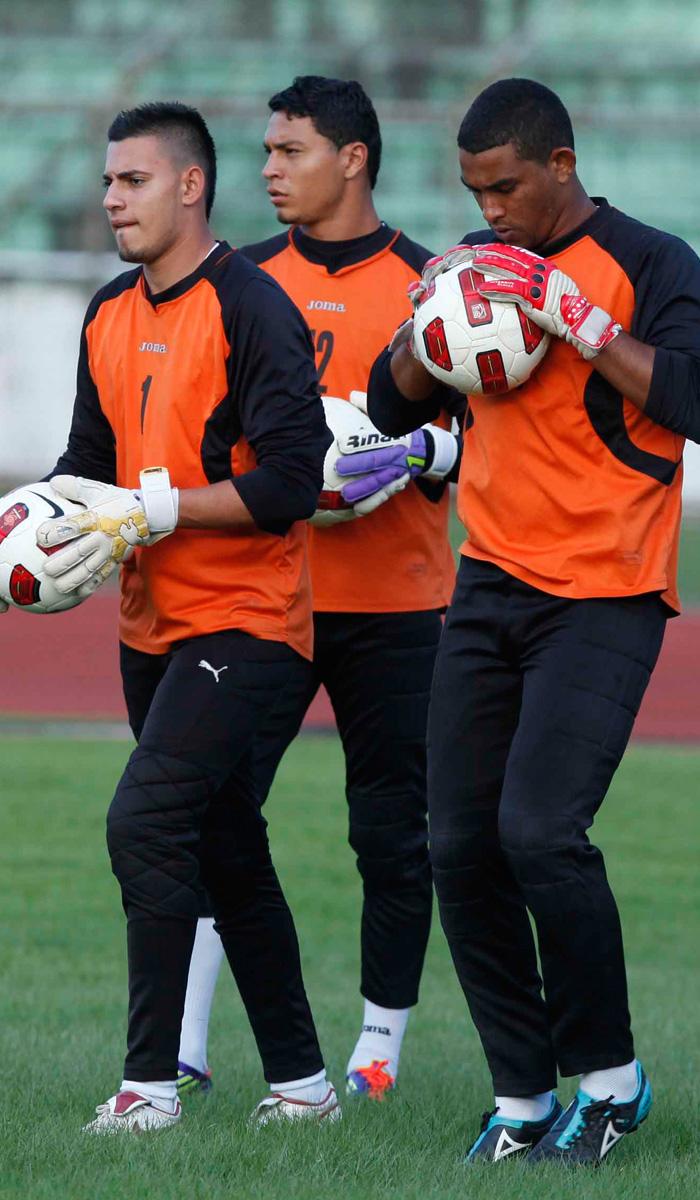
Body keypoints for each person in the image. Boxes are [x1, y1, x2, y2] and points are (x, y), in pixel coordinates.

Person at [367, 77, 700, 1163]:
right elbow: (390, 400)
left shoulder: (654, 263)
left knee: (539, 834)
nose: (490, 208)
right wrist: (429, 325)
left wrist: (577, 318)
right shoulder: (475, 257)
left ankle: (608, 1082)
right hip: (490, 583)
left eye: (504, 187)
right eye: (473, 190)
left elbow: (691, 398)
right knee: (457, 847)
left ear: (561, 164)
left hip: (605, 592)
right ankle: (521, 1098)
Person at [37, 100, 341, 1133]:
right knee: (223, 850)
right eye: (109, 181)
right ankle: (303, 1088)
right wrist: (36, 532)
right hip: (147, 628)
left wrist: (156, 506)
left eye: (132, 180)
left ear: (189, 185)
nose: (112, 198)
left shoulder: (251, 308)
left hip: (249, 625)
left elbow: (296, 481)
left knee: (145, 823)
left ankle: (149, 1088)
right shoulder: (107, 311)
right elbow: (87, 466)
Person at [176, 75, 463, 1102]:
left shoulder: (438, 288)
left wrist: (426, 448)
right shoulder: (238, 282)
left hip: (398, 608)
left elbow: (491, 443)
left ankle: (378, 1052)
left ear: (351, 158)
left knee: (392, 837)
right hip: (262, 601)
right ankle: (187, 1046)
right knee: (214, 811)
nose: (266, 170)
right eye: (263, 152)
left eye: (288, 151)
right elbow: (203, 433)